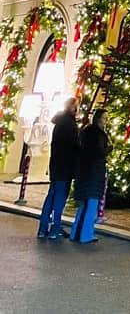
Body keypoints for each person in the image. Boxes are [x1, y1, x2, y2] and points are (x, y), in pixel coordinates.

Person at [37, 97, 80, 239]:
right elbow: (75, 146)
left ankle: (43, 228)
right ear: (73, 107)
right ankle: (55, 229)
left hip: (56, 164)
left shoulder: (59, 122)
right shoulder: (70, 124)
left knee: (52, 195)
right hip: (65, 166)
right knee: (60, 199)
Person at [70, 109, 110, 244]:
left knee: (85, 205)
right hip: (92, 173)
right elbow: (98, 152)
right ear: (99, 119)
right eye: (104, 118)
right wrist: (109, 149)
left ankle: (77, 233)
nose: (106, 121)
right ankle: (84, 234)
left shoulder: (86, 132)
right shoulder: (97, 135)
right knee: (90, 204)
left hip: (86, 172)